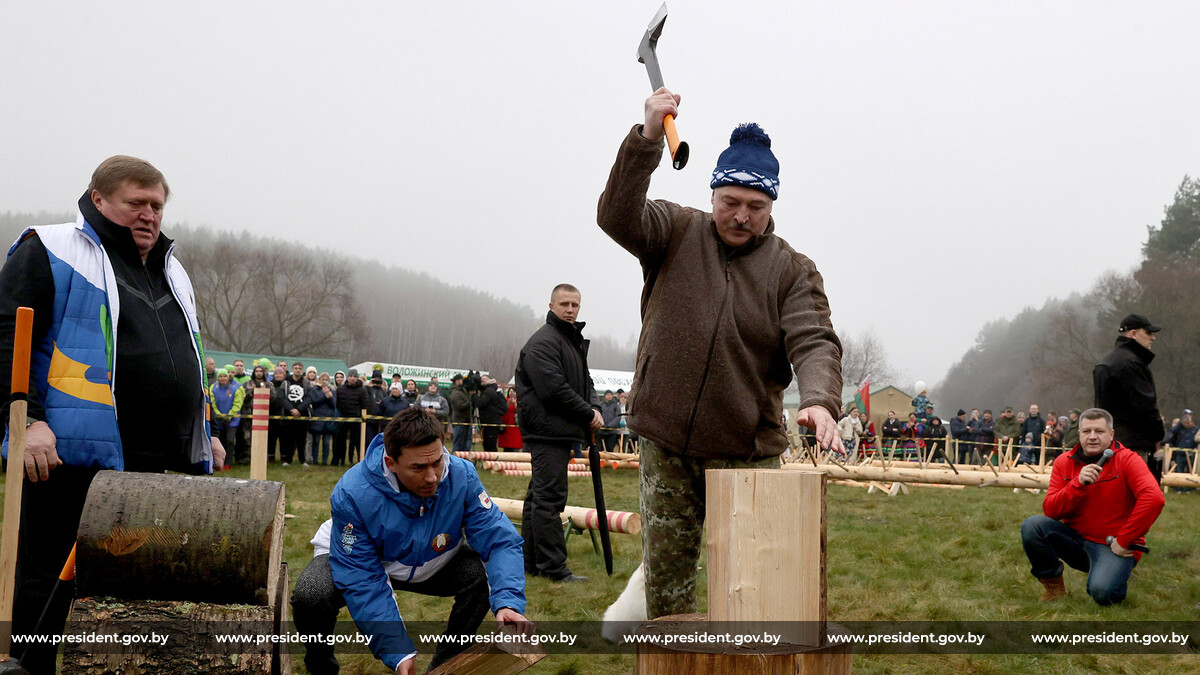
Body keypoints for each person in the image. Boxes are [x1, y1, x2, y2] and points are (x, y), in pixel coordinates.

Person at [596, 89, 843, 618]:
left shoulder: (792, 270)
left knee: (753, 584)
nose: (741, 216)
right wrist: (646, 138)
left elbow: (814, 339)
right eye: (730, 202)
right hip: (666, 444)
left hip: (746, 451)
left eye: (756, 207)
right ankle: (669, 650)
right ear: (712, 196)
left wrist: (819, 398)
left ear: (771, 208)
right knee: (669, 586)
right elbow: (616, 215)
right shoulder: (674, 231)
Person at [0, 155, 223, 674]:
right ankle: (27, 665)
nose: (149, 215)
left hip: (150, 458)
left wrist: (203, 428)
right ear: (97, 199)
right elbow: (7, 335)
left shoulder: (172, 269)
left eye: (157, 205)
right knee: (49, 577)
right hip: (68, 452)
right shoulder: (51, 247)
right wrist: (26, 420)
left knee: (131, 577)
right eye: (136, 203)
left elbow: (187, 354)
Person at [290, 408, 529, 675]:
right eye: (418, 467)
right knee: (311, 593)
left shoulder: (462, 476)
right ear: (391, 463)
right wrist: (397, 650)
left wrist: (508, 602)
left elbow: (499, 539)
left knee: (480, 574)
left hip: (431, 560)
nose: (432, 477)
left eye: (437, 462)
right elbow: (361, 575)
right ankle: (320, 664)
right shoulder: (352, 492)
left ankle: (445, 666)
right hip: (362, 559)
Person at [1019, 408, 1164, 605]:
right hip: (1075, 541)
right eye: (1087, 431)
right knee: (1032, 526)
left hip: (1112, 546)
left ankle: (1115, 574)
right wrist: (1077, 484)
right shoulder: (1063, 462)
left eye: (1099, 431)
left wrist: (1124, 540)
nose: (1092, 436)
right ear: (1079, 434)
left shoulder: (1128, 459)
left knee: (1103, 593)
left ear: (1111, 434)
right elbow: (1051, 511)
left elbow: (1154, 498)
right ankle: (1054, 587)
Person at [515, 284, 601, 582]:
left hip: (558, 431)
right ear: (551, 306)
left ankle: (530, 563)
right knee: (549, 500)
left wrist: (594, 405)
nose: (570, 309)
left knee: (538, 498)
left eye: (575, 304)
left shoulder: (568, 340)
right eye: (564, 304)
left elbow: (585, 382)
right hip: (547, 431)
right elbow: (553, 389)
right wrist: (588, 413)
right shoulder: (544, 342)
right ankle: (553, 568)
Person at [1094, 314, 1165, 481]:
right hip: (1134, 444)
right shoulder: (1131, 364)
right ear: (1133, 334)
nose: (1153, 338)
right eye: (1148, 333)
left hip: (1109, 442)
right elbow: (1146, 406)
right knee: (1138, 491)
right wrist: (1158, 435)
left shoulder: (1104, 363)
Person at [280, 362, 312, 465]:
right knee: (289, 438)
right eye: (296, 368)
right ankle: (288, 460)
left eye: (300, 368)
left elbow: (309, 398)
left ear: (302, 370)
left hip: (302, 414)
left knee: (302, 438)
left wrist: (299, 409)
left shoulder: (306, 383)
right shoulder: (286, 383)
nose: (298, 370)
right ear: (292, 369)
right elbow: (282, 398)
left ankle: (302, 460)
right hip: (289, 414)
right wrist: (291, 409)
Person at [334, 368, 367, 466]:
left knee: (358, 441)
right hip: (342, 419)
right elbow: (337, 403)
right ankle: (338, 460)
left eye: (355, 376)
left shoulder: (362, 390)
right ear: (348, 377)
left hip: (356, 419)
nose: (352, 378)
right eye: (351, 376)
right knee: (340, 441)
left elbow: (365, 404)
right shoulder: (340, 389)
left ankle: (361, 461)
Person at [209, 369, 244, 460]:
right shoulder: (213, 388)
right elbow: (212, 403)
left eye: (225, 376)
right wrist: (219, 415)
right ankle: (219, 460)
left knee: (230, 441)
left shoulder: (235, 389)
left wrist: (229, 416)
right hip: (218, 419)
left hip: (232, 420)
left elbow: (237, 404)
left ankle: (228, 462)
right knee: (220, 441)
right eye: (221, 376)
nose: (223, 378)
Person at [308, 375, 338, 466]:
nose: (325, 381)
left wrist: (330, 397)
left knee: (326, 442)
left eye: (326, 379)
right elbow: (314, 402)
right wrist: (325, 396)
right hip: (317, 419)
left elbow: (333, 405)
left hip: (328, 420)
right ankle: (315, 460)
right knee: (316, 441)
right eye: (323, 379)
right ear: (320, 380)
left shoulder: (332, 391)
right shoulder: (315, 390)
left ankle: (325, 461)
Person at [474, 374, 508, 454]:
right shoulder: (489, 390)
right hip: (490, 422)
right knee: (488, 444)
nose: (482, 380)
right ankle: (490, 459)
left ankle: (492, 459)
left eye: (484, 379)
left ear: (490, 380)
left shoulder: (489, 391)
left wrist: (473, 395)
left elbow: (480, 403)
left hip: (491, 422)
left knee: (490, 445)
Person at [448, 374, 474, 455]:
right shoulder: (455, 393)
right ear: (457, 381)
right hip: (460, 421)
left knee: (465, 444)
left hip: (465, 421)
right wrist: (470, 402)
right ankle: (455, 459)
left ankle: (463, 458)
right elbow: (459, 406)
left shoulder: (462, 391)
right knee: (458, 444)